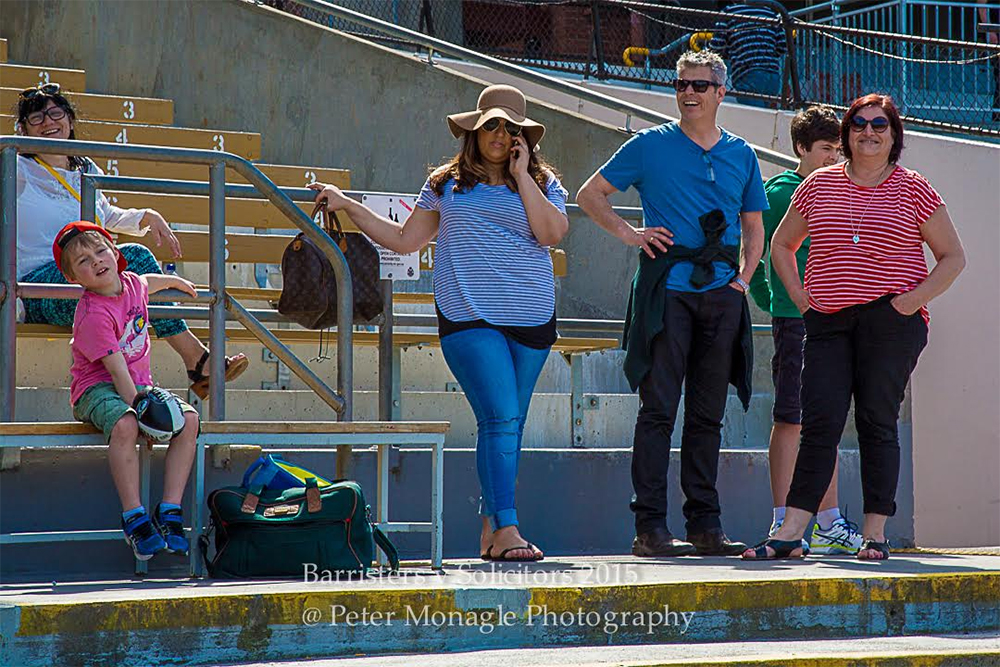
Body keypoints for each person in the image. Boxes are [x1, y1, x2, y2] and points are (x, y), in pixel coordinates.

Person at [308, 84, 569, 562]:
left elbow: (551, 233)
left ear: (523, 137)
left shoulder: (544, 182)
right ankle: (508, 528)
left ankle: (492, 531)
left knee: (510, 424)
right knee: (501, 417)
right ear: (474, 129)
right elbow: (405, 239)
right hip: (469, 316)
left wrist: (522, 176)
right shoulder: (445, 182)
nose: (500, 133)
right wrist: (348, 205)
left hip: (531, 317)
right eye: (491, 123)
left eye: (510, 127)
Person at [744, 94, 966, 561]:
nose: (869, 132)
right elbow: (782, 246)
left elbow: (952, 258)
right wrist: (802, 299)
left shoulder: (913, 188)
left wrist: (909, 302)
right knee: (819, 420)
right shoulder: (818, 185)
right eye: (859, 124)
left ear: (894, 134)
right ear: (846, 134)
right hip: (826, 321)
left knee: (876, 421)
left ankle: (874, 534)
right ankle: (792, 532)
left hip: (890, 321)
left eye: (879, 124)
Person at [577, 50, 766, 557]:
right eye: (681, 84)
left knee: (708, 413)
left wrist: (744, 279)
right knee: (658, 409)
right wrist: (632, 234)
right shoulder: (649, 145)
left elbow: (754, 226)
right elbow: (590, 195)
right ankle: (650, 529)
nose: (688, 93)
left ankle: (706, 526)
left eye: (699, 86)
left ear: (721, 93)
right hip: (669, 291)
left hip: (722, 292)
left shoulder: (742, 153)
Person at [13, 83, 248, 399]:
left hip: (90, 283)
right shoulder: (14, 169)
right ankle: (194, 361)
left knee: (128, 271)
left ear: (69, 121)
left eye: (55, 113)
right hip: (39, 287)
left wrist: (146, 216)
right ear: (23, 130)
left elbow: (106, 215)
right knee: (135, 259)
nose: (48, 122)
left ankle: (168, 372)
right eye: (36, 118)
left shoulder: (85, 166)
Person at [746, 105, 863, 555]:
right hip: (797, 321)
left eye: (839, 148)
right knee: (791, 418)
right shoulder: (783, 192)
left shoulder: (841, 189)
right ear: (800, 148)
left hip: (836, 323)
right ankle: (784, 521)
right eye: (826, 149)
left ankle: (828, 521)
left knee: (825, 420)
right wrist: (778, 300)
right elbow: (758, 254)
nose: (835, 157)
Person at [53, 221, 202, 560]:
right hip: (96, 388)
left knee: (189, 420)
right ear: (74, 278)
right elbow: (117, 373)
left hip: (137, 386)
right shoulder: (92, 314)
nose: (96, 261)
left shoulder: (131, 283)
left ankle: (170, 511)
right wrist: (142, 409)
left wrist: (176, 281)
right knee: (126, 424)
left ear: (116, 253)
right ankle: (134, 518)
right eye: (83, 261)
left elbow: (147, 283)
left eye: (100, 251)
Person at [707, 2, 787, 108]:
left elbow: (716, 46)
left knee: (755, 116)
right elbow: (782, 47)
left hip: (747, 73)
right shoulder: (770, 13)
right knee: (766, 115)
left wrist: (730, 51)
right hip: (772, 75)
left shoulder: (729, 13)